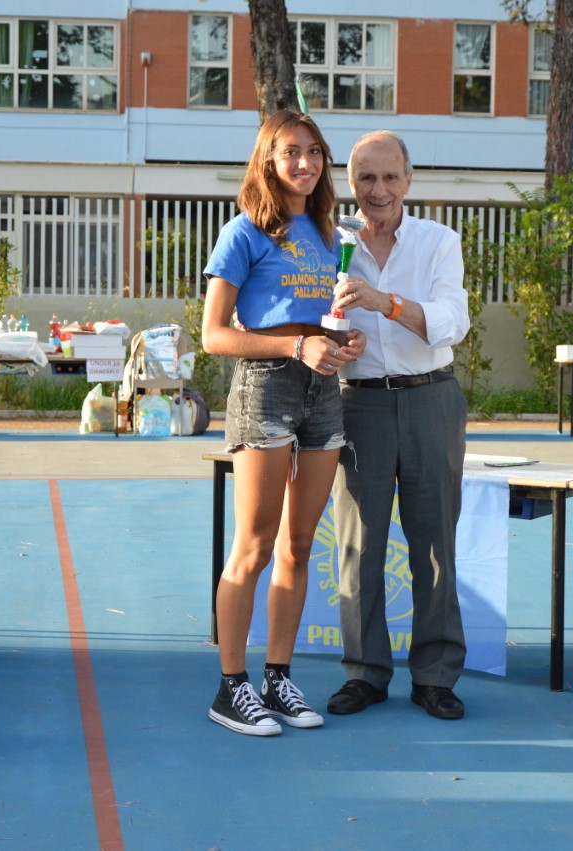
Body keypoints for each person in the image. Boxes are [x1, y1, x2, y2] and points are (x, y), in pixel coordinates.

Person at [201, 109, 367, 736]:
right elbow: (214, 335)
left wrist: (342, 342)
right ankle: (231, 687)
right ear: (268, 160)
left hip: (323, 391)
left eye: (315, 151)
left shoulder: (328, 233)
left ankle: (277, 677)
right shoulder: (244, 230)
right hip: (266, 386)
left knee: (298, 547)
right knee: (254, 547)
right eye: (291, 151)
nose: (305, 162)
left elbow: (321, 319)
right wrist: (295, 346)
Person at [326, 131, 471, 720]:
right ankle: (364, 672)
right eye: (366, 177)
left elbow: (451, 322)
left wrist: (384, 302)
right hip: (357, 404)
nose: (378, 190)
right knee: (358, 545)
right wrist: (334, 345)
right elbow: (309, 321)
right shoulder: (328, 244)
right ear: (350, 182)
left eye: (390, 177)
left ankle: (435, 676)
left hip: (430, 398)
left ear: (409, 181)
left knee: (434, 545)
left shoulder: (439, 241)